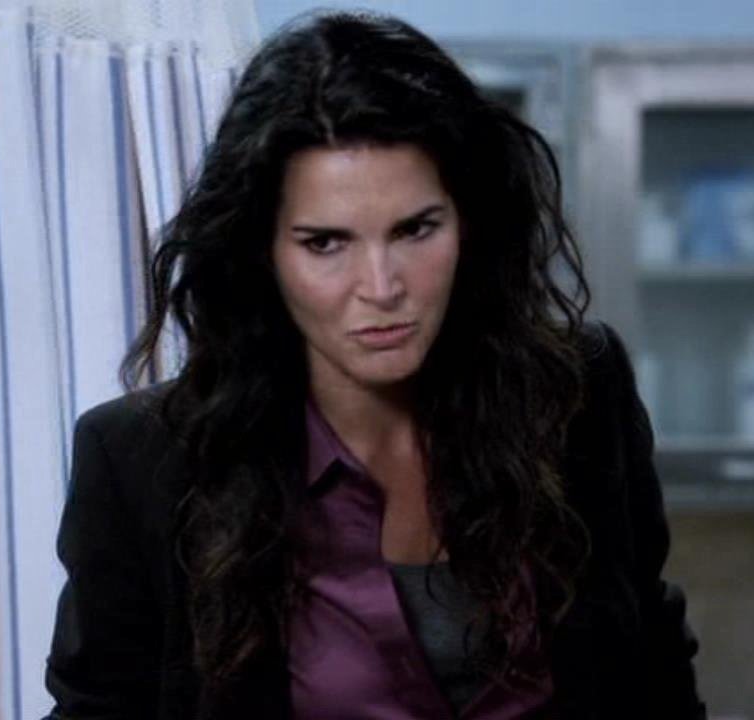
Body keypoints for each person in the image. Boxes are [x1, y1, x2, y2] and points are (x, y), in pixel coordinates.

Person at [43, 10, 705, 720]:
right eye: (326, 243)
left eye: (416, 229)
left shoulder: (577, 394)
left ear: (468, 222)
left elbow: (655, 675)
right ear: (263, 253)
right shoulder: (145, 462)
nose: (382, 287)